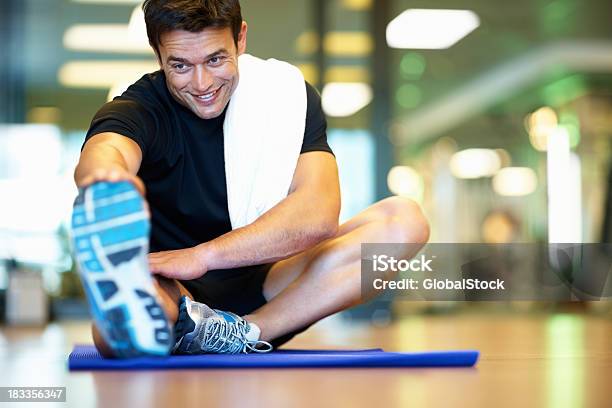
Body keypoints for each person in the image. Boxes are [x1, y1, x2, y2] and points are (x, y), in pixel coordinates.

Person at [72, 0, 430, 358]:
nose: (202, 83)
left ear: (240, 38)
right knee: (119, 331)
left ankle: (244, 333)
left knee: (403, 222)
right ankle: (182, 328)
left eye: (215, 59)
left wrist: (203, 256)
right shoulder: (138, 108)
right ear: (157, 53)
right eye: (180, 65)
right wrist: (105, 180)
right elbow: (109, 150)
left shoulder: (285, 97)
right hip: (177, 292)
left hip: (271, 284)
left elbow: (318, 214)